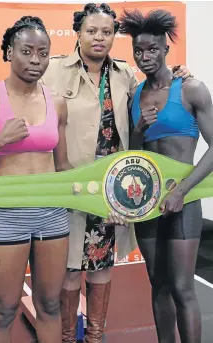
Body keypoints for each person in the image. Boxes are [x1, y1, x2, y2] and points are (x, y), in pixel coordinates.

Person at [0, 4, 192, 342]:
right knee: (69, 273)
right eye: (92, 31)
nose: (99, 38)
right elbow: (19, 84)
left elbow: (143, 103)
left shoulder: (124, 75)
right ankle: (66, 336)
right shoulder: (52, 68)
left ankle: (94, 335)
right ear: (78, 33)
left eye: (106, 32)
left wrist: (179, 74)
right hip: (69, 187)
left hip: (109, 191)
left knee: (102, 268)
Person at [0, 16, 73, 343]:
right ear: (10, 52)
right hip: (8, 218)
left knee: (51, 305)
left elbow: (63, 167)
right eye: (27, 51)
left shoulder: (58, 102)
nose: (36, 60)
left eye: (43, 53)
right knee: (4, 311)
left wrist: (98, 196)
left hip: (53, 217)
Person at [115, 9, 213, 343]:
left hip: (183, 202)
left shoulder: (191, 89)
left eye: (152, 49)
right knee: (158, 284)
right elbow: (132, 155)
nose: (145, 57)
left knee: (184, 287)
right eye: (138, 51)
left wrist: (182, 191)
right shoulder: (135, 97)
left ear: (166, 49)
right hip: (147, 205)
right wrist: (139, 131)